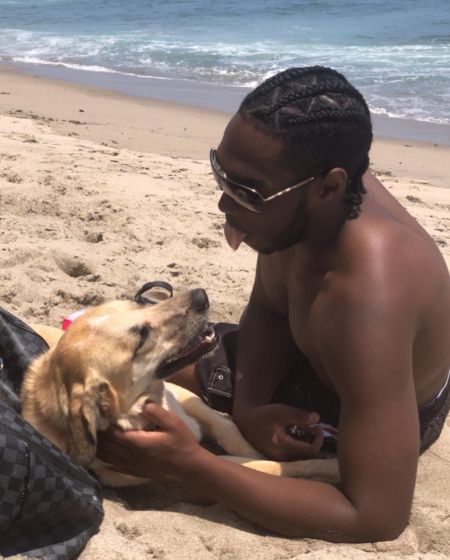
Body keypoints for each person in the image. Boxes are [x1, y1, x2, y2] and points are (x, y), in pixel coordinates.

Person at [97, 66, 450, 542]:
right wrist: (250, 408)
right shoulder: (301, 200)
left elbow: (376, 517)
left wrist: (189, 466)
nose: (224, 204)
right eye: (221, 175)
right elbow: (269, 307)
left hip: (374, 402)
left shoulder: (370, 296)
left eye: (245, 192)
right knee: (117, 350)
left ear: (329, 187)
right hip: (312, 360)